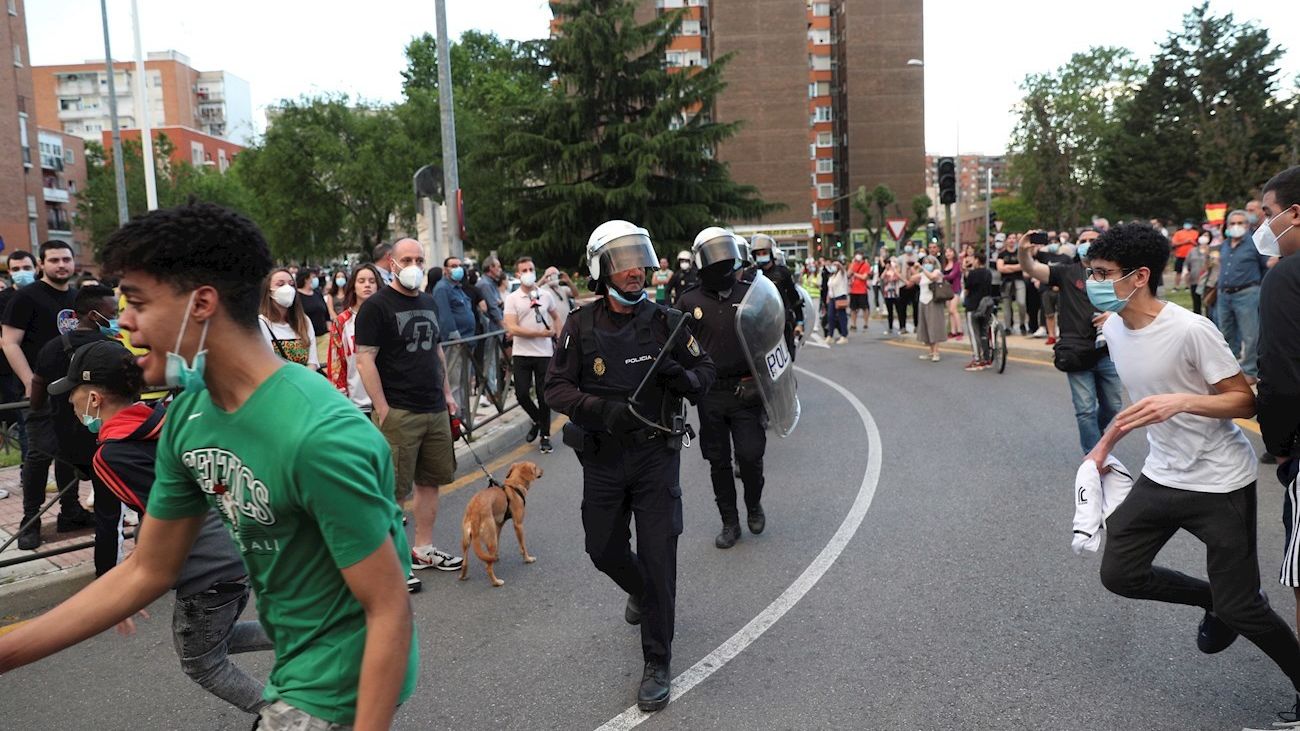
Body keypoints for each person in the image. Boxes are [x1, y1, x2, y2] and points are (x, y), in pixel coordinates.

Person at [0, 203, 418, 730]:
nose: (121, 320)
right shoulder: (191, 415)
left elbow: (388, 609)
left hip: (340, 688)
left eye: (137, 302)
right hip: (294, 663)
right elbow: (150, 568)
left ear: (201, 303)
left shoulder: (319, 435)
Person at [1082, 222, 1300, 727]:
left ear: (1139, 277)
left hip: (1220, 482)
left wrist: (1185, 401)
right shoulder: (1113, 328)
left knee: (1244, 610)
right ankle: (1214, 601)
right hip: (1162, 475)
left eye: (1101, 273)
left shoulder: (1190, 329)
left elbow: (1245, 398)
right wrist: (1101, 448)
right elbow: (1138, 408)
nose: (1091, 281)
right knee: (1120, 574)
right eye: (1089, 272)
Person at [50, 339, 275, 713]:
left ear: (93, 399)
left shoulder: (111, 454)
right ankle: (310, 634)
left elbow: (165, 520)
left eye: (72, 393)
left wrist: (125, 589)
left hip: (206, 568)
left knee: (202, 662)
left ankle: (284, 715)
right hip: (239, 549)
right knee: (213, 640)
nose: (69, 402)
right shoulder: (167, 416)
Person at [545, 220, 714, 713]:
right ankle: (644, 592)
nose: (634, 270)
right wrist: (600, 409)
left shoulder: (667, 322)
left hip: (655, 456)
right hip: (602, 456)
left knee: (660, 556)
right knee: (603, 549)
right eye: (622, 262)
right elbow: (555, 388)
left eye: (639, 260)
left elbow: (704, 375)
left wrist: (679, 376)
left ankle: (657, 662)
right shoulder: (581, 324)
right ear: (602, 269)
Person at [354, 238, 465, 577]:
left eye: (419, 258)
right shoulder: (377, 306)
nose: (414, 264)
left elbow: (437, 351)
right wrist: (383, 408)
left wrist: (447, 394)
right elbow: (364, 359)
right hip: (399, 411)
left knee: (430, 481)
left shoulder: (429, 302)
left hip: (433, 408)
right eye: (407, 259)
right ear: (392, 263)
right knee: (392, 491)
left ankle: (423, 548)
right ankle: (392, 563)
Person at [678, 228, 771, 548]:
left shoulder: (751, 292)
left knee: (750, 455)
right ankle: (729, 521)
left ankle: (754, 503)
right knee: (718, 462)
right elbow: (677, 348)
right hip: (711, 394)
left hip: (747, 391)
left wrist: (775, 384)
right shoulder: (688, 300)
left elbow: (772, 335)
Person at [3, 240, 89, 549]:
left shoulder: (78, 297)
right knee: (38, 455)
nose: (61, 264)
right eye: (54, 260)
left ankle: (71, 511)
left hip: (74, 390)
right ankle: (30, 522)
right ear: (42, 264)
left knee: (69, 450)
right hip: (39, 391)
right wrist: (29, 380)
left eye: (66, 259)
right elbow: (9, 342)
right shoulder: (25, 297)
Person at [30, 285, 119, 575]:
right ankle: (108, 574)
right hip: (106, 442)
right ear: (95, 315)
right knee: (109, 513)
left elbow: (37, 389)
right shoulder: (113, 350)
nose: (117, 319)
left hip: (65, 442)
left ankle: (69, 513)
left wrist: (39, 408)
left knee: (71, 483)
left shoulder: (52, 347)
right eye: (113, 314)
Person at [1018, 229, 1123, 452]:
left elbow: (1133, 302)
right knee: (1085, 409)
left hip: (1109, 351)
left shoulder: (1116, 272)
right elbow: (1031, 268)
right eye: (1083, 241)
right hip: (1076, 351)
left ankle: (1094, 436)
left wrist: (1114, 316)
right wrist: (1022, 252)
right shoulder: (1067, 272)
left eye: (1093, 240)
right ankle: (1093, 457)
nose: (1087, 244)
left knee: (1113, 405)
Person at [1255, 168, 1300, 643]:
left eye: (1269, 215)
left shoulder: (1286, 277)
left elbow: (1281, 371)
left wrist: (1280, 445)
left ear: (1294, 213)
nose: (1264, 227)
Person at [503, 256, 559, 454]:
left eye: (531, 269)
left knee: (545, 396)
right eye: (524, 270)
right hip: (522, 353)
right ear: (518, 274)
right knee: (522, 394)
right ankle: (537, 419)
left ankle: (545, 435)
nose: (528, 273)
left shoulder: (545, 295)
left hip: (544, 353)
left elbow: (555, 317)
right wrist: (539, 334)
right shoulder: (513, 298)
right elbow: (511, 327)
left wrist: (557, 337)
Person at [1216, 209, 1273, 383]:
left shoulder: (1255, 244)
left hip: (1247, 293)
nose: (1236, 226)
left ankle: (1250, 371)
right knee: (1225, 334)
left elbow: (1266, 266)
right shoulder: (1225, 244)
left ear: (1247, 225)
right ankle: (1230, 371)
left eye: (1240, 223)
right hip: (1224, 294)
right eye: (1232, 223)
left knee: (1250, 335)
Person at [327, 264, 383, 414]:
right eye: (362, 281)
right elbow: (337, 364)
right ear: (353, 286)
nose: (367, 285)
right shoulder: (342, 321)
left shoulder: (388, 317)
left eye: (372, 281)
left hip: (389, 403)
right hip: (357, 405)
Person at [0, 250, 39, 464]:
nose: (21, 273)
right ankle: (28, 472)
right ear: (9, 272)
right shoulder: (3, 300)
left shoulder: (41, 294)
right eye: (16, 269)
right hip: (10, 374)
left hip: (43, 368)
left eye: (26, 268)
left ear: (36, 268)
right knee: (26, 425)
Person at [432, 255, 476, 411]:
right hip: (456, 344)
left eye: (459, 265)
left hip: (467, 341)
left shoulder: (458, 287)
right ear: (445, 270)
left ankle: (464, 414)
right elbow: (444, 316)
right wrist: (455, 338)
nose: (457, 268)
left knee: (465, 380)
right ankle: (457, 417)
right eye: (453, 266)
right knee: (455, 381)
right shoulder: (442, 288)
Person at [748, 234, 804, 355]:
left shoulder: (783, 272)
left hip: (783, 321)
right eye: (758, 253)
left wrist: (800, 322)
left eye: (764, 252)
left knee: (786, 357)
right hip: (760, 324)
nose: (761, 256)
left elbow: (794, 298)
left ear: (771, 252)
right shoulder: (751, 274)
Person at [258, 269, 319, 371]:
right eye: (280, 284)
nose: (287, 288)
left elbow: (313, 362)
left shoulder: (304, 321)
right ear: (269, 291)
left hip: (304, 383)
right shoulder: (261, 324)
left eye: (291, 284)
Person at [962, 250, 995, 371]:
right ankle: (986, 358)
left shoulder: (973, 274)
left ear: (977, 260)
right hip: (986, 305)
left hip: (973, 305)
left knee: (974, 333)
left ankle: (977, 359)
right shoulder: (988, 273)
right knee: (983, 333)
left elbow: (967, 288)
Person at [911, 254, 946, 362]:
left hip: (933, 301)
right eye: (925, 262)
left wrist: (922, 269)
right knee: (925, 326)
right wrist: (915, 269)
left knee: (934, 326)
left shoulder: (936, 272)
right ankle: (931, 351)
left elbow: (932, 277)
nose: (927, 264)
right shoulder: (922, 274)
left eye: (930, 262)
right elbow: (912, 278)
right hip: (923, 301)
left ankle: (936, 352)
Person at [294, 268, 330, 365]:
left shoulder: (317, 293)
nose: (315, 279)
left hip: (323, 337)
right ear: (306, 279)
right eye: (313, 277)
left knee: (325, 366)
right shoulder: (296, 296)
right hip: (305, 339)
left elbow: (326, 314)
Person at [996, 234, 1027, 334]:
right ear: (1006, 241)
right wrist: (1015, 267)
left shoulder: (1020, 253)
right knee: (1006, 305)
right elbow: (1000, 268)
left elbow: (1024, 265)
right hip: (1006, 282)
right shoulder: (1002, 254)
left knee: (1021, 303)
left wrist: (1008, 267)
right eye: (1009, 238)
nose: (1012, 240)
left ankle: (1022, 323)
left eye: (1014, 238)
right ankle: (1008, 327)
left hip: (1019, 280)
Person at [541, 266, 578, 335]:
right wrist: (543, 280)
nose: (553, 277)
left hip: (566, 326)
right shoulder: (543, 290)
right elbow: (533, 291)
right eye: (550, 275)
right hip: (553, 329)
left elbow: (575, 294)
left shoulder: (563, 289)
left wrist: (568, 281)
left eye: (555, 275)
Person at [476, 255, 506, 334]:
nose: (500, 269)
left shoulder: (492, 283)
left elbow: (497, 303)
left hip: (495, 327)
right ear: (491, 268)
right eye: (498, 267)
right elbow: (493, 307)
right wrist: (504, 327)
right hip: (491, 329)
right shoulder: (485, 285)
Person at [824, 258, 849, 344]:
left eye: (835, 265)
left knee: (842, 316)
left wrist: (839, 264)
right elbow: (830, 287)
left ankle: (844, 335)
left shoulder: (842, 274)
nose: (834, 267)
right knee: (830, 316)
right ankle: (830, 335)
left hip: (840, 296)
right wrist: (828, 297)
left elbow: (842, 269)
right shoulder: (832, 276)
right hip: (832, 297)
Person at [1170, 219, 1199, 290]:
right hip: (1180, 255)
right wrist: (1185, 242)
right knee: (1178, 272)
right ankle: (1176, 287)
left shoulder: (1195, 233)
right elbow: (1174, 243)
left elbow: (1198, 244)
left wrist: (1192, 242)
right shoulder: (1178, 233)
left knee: (1189, 272)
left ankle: (1188, 286)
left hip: (1192, 256)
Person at [941, 248, 963, 338]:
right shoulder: (945, 265)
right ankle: (953, 331)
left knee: (953, 310)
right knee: (950, 311)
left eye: (950, 251)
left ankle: (960, 331)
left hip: (955, 289)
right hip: (947, 290)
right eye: (946, 252)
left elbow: (952, 276)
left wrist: (942, 277)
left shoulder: (957, 264)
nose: (948, 253)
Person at [848, 251, 871, 333]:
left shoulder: (866, 265)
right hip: (853, 290)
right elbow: (848, 274)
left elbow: (864, 277)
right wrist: (852, 265)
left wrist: (855, 274)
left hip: (862, 290)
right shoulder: (852, 264)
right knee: (853, 309)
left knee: (865, 308)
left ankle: (866, 323)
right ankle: (853, 324)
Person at [882, 257, 903, 336]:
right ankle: (890, 328)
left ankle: (901, 327)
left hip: (895, 293)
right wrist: (886, 270)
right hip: (888, 294)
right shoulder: (886, 272)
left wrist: (894, 269)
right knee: (890, 312)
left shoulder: (895, 271)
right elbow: (882, 277)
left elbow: (897, 277)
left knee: (899, 311)